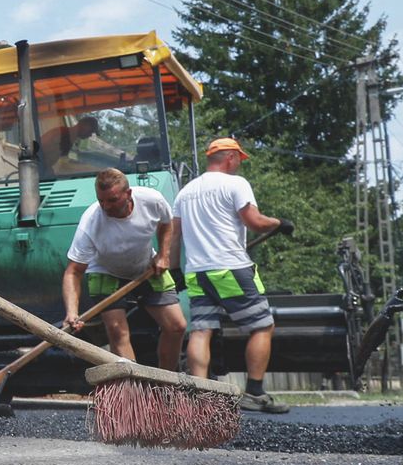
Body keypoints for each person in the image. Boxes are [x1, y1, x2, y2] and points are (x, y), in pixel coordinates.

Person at [172, 137, 295, 413]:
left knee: (201, 331)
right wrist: (280, 223)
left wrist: (173, 269)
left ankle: (199, 395)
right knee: (262, 326)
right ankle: (254, 393)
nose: (240, 164)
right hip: (230, 268)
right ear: (230, 157)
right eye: (239, 158)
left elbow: (174, 236)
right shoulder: (236, 184)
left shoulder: (185, 192)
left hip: (197, 272)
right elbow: (255, 222)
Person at [61, 168, 186, 371]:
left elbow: (166, 224)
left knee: (176, 326)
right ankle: (135, 389)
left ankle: (168, 384)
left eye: (112, 200)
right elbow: (73, 271)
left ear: (128, 194)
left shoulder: (152, 200)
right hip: (106, 272)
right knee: (118, 333)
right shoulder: (91, 221)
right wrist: (72, 312)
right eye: (101, 200)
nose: (105, 206)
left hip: (146, 267)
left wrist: (163, 254)